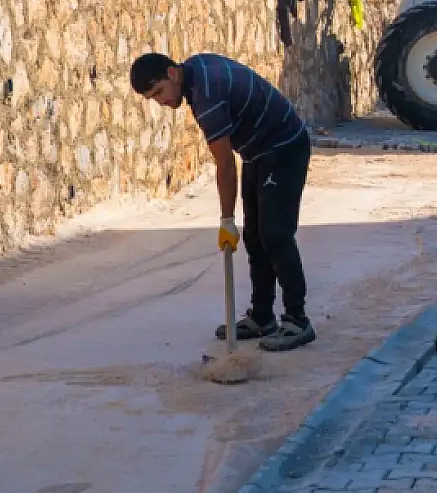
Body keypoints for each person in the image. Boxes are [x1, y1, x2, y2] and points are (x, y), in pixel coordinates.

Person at [129, 51, 316, 352]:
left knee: (275, 234)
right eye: (153, 99)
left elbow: (225, 164)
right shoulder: (196, 74)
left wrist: (226, 220)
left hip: (284, 146)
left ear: (172, 73)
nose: (161, 103)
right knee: (254, 236)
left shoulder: (206, 94)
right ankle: (262, 316)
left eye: (159, 92)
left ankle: (297, 320)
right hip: (258, 150)